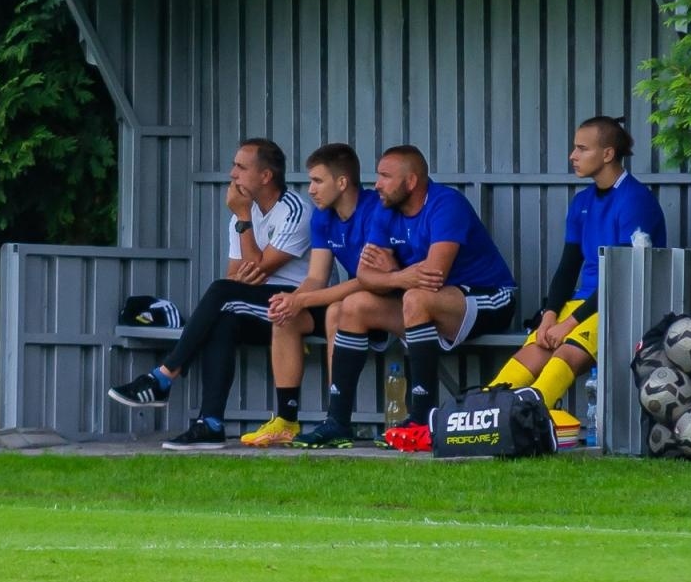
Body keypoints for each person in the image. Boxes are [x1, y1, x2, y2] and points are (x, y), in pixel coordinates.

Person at [106, 138, 312, 450]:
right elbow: (236, 275)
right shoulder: (240, 216)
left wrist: (244, 222)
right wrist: (245, 240)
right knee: (222, 318)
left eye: (241, 168)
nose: (233, 174)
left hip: (299, 305)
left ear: (266, 176)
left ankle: (163, 377)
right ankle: (210, 423)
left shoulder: (294, 210)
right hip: (258, 304)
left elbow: (257, 268)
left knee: (221, 294)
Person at [311, 145, 517, 453]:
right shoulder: (385, 209)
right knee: (353, 306)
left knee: (416, 299)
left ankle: (422, 420)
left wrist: (394, 273)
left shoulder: (446, 204)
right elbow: (365, 276)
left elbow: (433, 276)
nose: (376, 184)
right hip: (428, 301)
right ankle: (338, 422)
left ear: (411, 182)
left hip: (490, 297)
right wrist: (398, 277)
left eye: (385, 176)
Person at [486, 115, 667, 412]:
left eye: (582, 149)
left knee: (564, 355)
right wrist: (549, 316)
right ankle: (483, 413)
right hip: (584, 303)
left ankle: (527, 418)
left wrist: (569, 324)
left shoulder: (636, 200)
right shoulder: (582, 202)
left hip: (620, 303)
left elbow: (623, 279)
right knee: (530, 353)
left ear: (607, 154)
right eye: (574, 148)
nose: (573, 156)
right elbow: (568, 268)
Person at [240, 143, 382, 448]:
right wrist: (291, 301)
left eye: (318, 181)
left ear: (342, 182)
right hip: (353, 299)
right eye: (309, 182)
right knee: (285, 316)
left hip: (385, 300)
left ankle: (336, 418)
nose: (311, 190)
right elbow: (316, 277)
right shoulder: (322, 217)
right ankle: (286, 420)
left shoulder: (375, 211)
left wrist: (301, 300)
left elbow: (371, 282)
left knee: (336, 311)